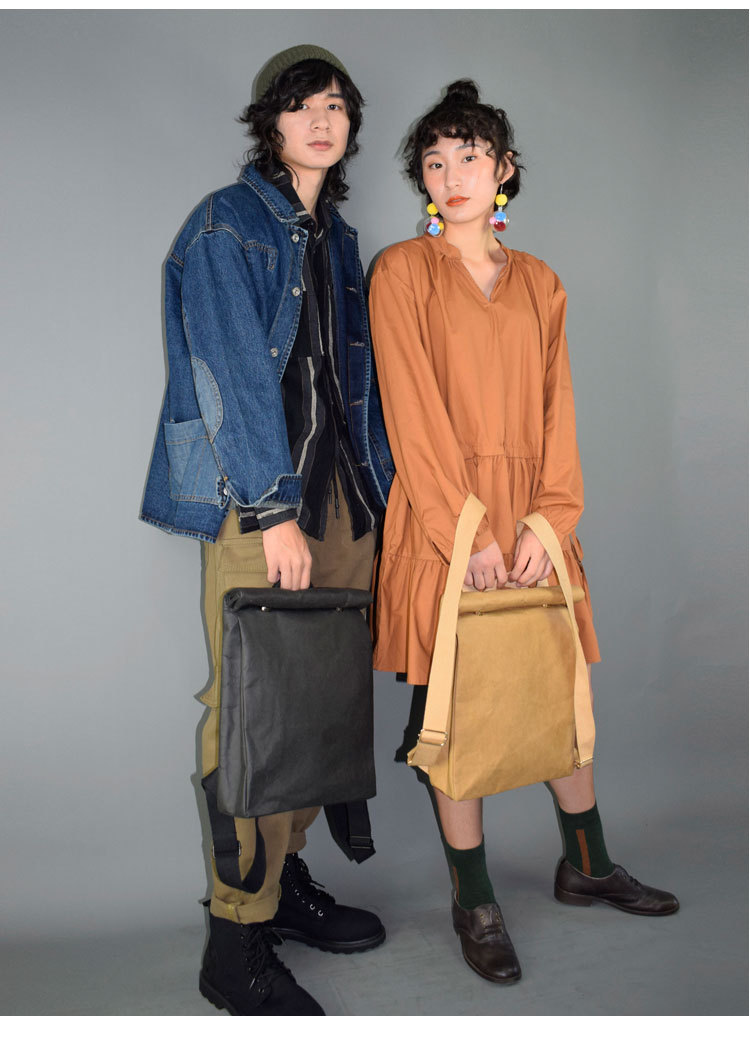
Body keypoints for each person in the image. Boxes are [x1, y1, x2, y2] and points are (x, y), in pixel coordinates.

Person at [368, 80, 678, 986]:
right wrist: (465, 532)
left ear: (503, 169)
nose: (451, 175)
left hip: (532, 516)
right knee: (456, 709)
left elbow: (558, 410)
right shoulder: (402, 272)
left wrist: (549, 519)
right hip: (445, 516)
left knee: (554, 691)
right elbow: (411, 416)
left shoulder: (540, 281)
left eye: (469, 156)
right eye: (434, 161)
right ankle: (475, 900)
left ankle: (588, 865)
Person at [140, 45, 394, 1016]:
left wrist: (378, 504)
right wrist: (274, 509)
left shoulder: (338, 240)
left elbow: (354, 388)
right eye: (301, 105)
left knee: (317, 712)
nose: (321, 121)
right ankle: (234, 939)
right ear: (270, 123)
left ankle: (282, 886)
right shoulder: (226, 226)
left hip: (342, 508)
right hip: (267, 508)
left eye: (336, 106)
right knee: (254, 719)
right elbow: (233, 377)